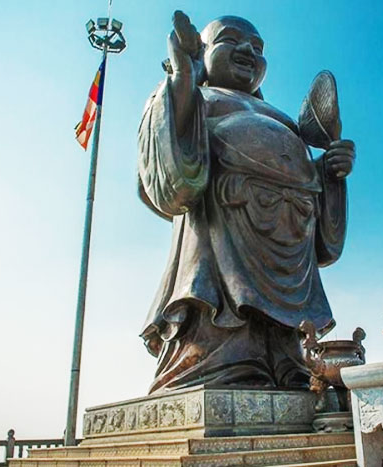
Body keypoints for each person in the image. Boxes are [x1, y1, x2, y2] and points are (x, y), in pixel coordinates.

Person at [137, 12, 356, 393]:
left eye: (258, 48)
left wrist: (329, 173)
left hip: (290, 225)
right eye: (230, 40)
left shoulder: (281, 117)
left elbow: (311, 184)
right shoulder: (195, 94)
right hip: (225, 216)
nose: (247, 51)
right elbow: (168, 156)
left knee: (285, 341)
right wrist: (184, 74)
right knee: (224, 327)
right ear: (203, 52)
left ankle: (285, 366)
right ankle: (216, 365)